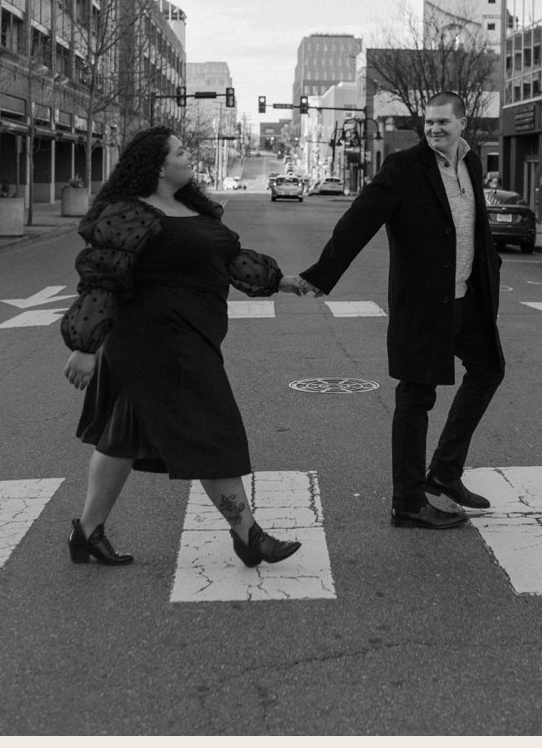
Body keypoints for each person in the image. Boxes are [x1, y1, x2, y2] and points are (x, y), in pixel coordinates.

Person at [58, 127, 303, 568]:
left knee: (122, 436)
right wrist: (85, 346)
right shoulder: (129, 214)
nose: (189, 156)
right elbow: (103, 279)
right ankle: (248, 534)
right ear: (158, 165)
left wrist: (279, 281)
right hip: (155, 340)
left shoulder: (191, 206)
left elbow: (228, 258)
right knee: (212, 428)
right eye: (181, 151)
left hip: (188, 333)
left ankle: (87, 533)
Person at [284, 93, 504, 530]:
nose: (435, 129)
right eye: (430, 122)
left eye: (444, 122)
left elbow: (473, 226)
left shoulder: (470, 164)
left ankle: (444, 473)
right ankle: (407, 501)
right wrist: (321, 274)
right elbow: (359, 220)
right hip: (425, 303)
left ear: (463, 123)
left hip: (467, 297)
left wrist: (490, 268)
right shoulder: (404, 169)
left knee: (489, 369)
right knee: (416, 396)